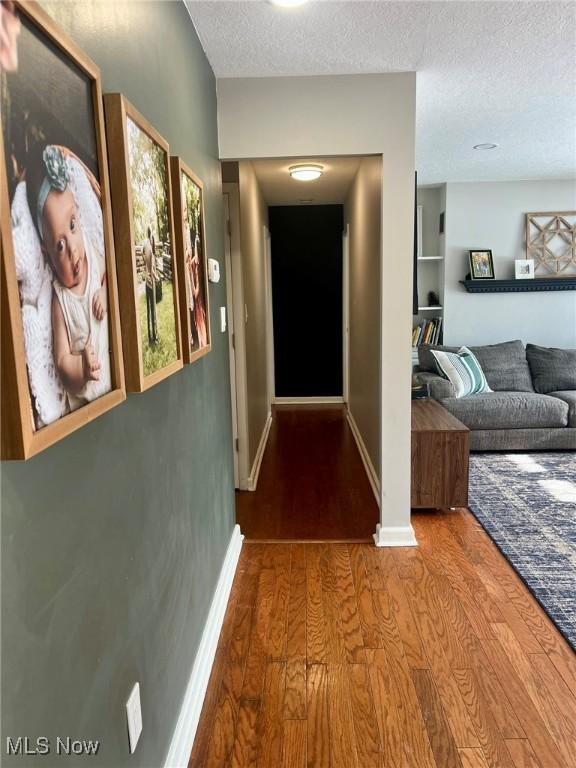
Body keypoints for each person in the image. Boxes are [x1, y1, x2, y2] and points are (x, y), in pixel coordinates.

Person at [29, 144, 110, 410]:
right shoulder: (59, 301)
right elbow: (62, 361)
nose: (73, 248)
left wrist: (104, 294)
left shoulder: (91, 258)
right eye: (60, 247)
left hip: (115, 384)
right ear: (47, 255)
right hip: (89, 403)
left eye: (73, 225)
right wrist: (82, 367)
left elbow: (110, 278)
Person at [143, 226, 158, 343]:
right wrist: (157, 278)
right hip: (151, 283)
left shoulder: (144, 247)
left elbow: (145, 267)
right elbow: (152, 270)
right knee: (153, 310)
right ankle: (154, 336)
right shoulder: (151, 251)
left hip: (145, 283)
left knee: (148, 311)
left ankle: (149, 336)